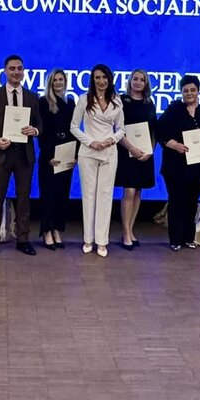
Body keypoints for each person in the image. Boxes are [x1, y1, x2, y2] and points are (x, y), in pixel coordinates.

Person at [0, 54, 42, 257]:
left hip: (24, 156)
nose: (16, 72)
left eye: (19, 68)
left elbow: (40, 124)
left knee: (24, 200)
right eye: (12, 68)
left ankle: (23, 240)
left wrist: (35, 130)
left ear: (23, 72)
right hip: (0, 154)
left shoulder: (32, 97)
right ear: (5, 71)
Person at [71, 64, 125, 257]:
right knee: (88, 195)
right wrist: (90, 142)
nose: (101, 81)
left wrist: (112, 139)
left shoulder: (117, 100)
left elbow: (121, 129)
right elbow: (74, 127)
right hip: (88, 153)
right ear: (92, 80)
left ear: (109, 79)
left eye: (104, 77)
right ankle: (88, 239)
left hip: (109, 153)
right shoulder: (84, 99)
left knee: (105, 196)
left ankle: (102, 241)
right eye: (97, 78)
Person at [156, 75, 200, 251]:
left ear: (198, 91)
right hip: (175, 165)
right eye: (185, 90)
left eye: (193, 90)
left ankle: (189, 237)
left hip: (199, 165)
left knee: (192, 201)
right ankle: (175, 239)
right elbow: (159, 131)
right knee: (176, 201)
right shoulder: (173, 110)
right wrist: (174, 144)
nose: (189, 93)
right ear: (181, 92)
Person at [115, 69, 156, 249]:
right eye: (135, 79)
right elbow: (117, 129)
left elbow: (154, 130)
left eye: (142, 80)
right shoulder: (121, 101)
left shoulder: (149, 103)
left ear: (146, 83)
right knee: (129, 192)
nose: (138, 82)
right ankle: (125, 233)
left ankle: (131, 230)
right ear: (130, 81)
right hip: (126, 152)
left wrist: (150, 151)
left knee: (138, 192)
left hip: (145, 155)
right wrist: (132, 148)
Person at [36, 68, 75, 250]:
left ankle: (57, 229)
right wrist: (49, 154)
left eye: (61, 79)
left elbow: (74, 130)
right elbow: (42, 131)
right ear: (50, 83)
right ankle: (46, 230)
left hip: (67, 154)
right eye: (55, 80)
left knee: (61, 195)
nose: (58, 83)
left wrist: (75, 155)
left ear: (65, 82)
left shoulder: (70, 102)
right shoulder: (43, 102)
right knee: (48, 195)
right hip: (49, 156)